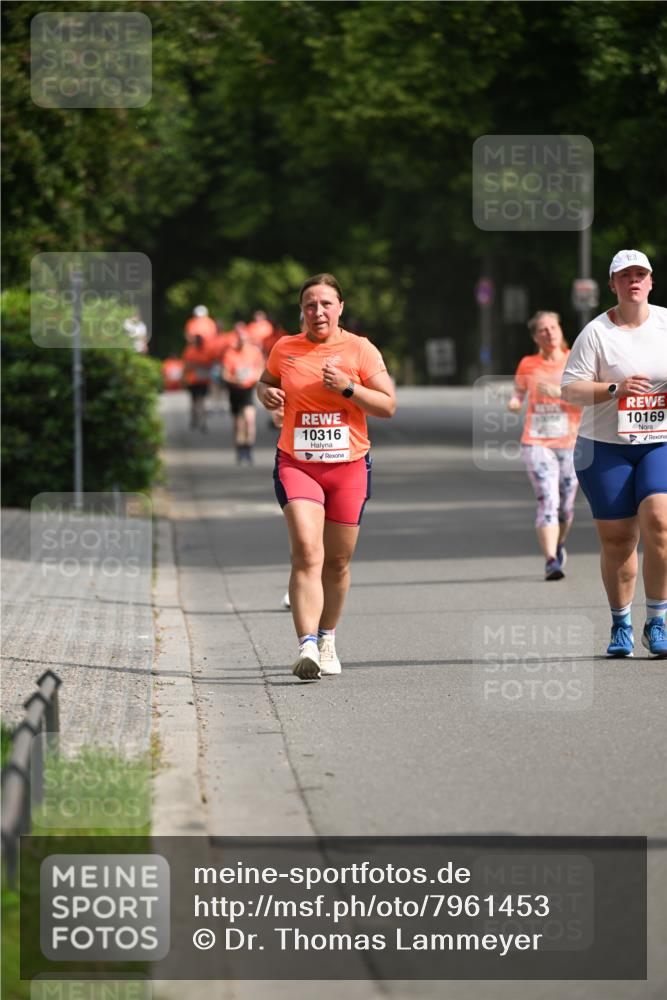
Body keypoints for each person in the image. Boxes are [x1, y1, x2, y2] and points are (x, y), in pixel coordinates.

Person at [257, 273, 396, 679]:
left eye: (326, 304)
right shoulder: (285, 348)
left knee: (336, 561)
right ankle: (307, 647)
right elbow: (266, 385)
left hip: (349, 466)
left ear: (340, 308)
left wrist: (349, 388)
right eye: (310, 305)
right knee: (307, 551)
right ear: (301, 311)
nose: (318, 311)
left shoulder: (360, 349)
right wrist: (264, 394)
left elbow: (388, 406)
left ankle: (327, 635)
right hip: (297, 463)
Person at [561, 249, 667, 658]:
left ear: (652, 281)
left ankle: (656, 621)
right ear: (613, 285)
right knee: (619, 538)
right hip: (604, 447)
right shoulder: (597, 333)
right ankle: (621, 622)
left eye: (641, 274)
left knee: (659, 520)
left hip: (659, 441)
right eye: (625, 276)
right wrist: (613, 390)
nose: (634, 281)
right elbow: (569, 389)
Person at [507, 312, 582, 580]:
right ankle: (551, 560)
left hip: (572, 443)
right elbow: (519, 390)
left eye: (553, 327)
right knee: (548, 499)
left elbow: (589, 397)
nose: (549, 332)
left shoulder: (576, 359)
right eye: (542, 330)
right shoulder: (528, 364)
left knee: (566, 507)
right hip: (537, 442)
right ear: (535, 337)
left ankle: (559, 543)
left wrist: (561, 394)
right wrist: (515, 401)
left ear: (560, 330)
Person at [222, 321, 265, 464]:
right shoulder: (230, 353)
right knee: (238, 423)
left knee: (249, 419)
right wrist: (235, 380)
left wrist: (254, 377)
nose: (243, 342)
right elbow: (225, 374)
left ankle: (248, 449)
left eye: (245, 340)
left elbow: (261, 368)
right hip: (235, 390)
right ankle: (240, 449)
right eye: (240, 340)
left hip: (247, 389)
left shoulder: (254, 352)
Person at [182, 334, 211, 431]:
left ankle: (200, 421)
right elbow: (187, 365)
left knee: (198, 401)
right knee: (198, 401)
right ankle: (198, 420)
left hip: (199, 380)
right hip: (196, 380)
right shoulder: (191, 351)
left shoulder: (191, 351)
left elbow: (187, 366)